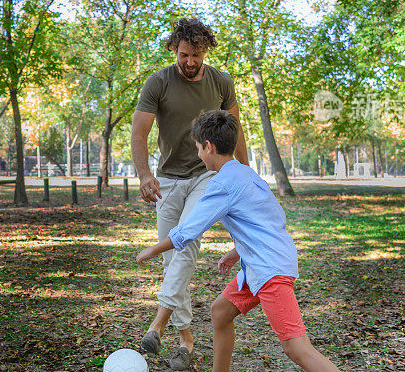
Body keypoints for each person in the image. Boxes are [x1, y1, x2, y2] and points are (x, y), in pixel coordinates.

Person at [137, 110, 339, 372]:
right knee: (220, 312)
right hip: (260, 264)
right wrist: (238, 251)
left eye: (198, 148)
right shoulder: (248, 174)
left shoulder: (222, 183)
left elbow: (187, 231)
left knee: (296, 348)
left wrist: (152, 250)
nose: (198, 154)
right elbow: (272, 219)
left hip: (270, 270)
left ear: (208, 147)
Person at [131, 18, 248, 370]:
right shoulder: (158, 82)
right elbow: (139, 133)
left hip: (205, 174)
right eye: (184, 54)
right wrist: (144, 174)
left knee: (187, 239)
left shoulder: (221, 82)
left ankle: (157, 325)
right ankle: (186, 342)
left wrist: (243, 172)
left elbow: (236, 130)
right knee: (172, 262)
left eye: (196, 55)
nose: (190, 62)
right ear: (174, 49)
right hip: (166, 179)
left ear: (205, 50)